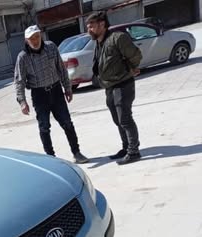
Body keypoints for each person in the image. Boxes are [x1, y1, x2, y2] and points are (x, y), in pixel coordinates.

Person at [14, 25, 89, 164]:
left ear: (41, 36)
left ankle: (76, 152)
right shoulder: (23, 57)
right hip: (39, 95)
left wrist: (68, 88)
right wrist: (22, 101)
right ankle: (51, 158)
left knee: (67, 123)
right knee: (44, 127)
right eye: (31, 38)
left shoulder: (51, 47)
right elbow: (19, 81)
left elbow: (61, 68)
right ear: (26, 41)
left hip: (56, 91)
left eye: (37, 36)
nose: (35, 40)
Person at [86, 11, 143, 165]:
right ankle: (126, 147)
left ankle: (134, 151)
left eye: (91, 26)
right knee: (117, 120)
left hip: (123, 84)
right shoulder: (99, 42)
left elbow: (136, 55)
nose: (89, 30)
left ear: (102, 24)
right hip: (110, 87)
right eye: (88, 27)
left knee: (125, 119)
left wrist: (131, 68)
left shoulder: (118, 38)